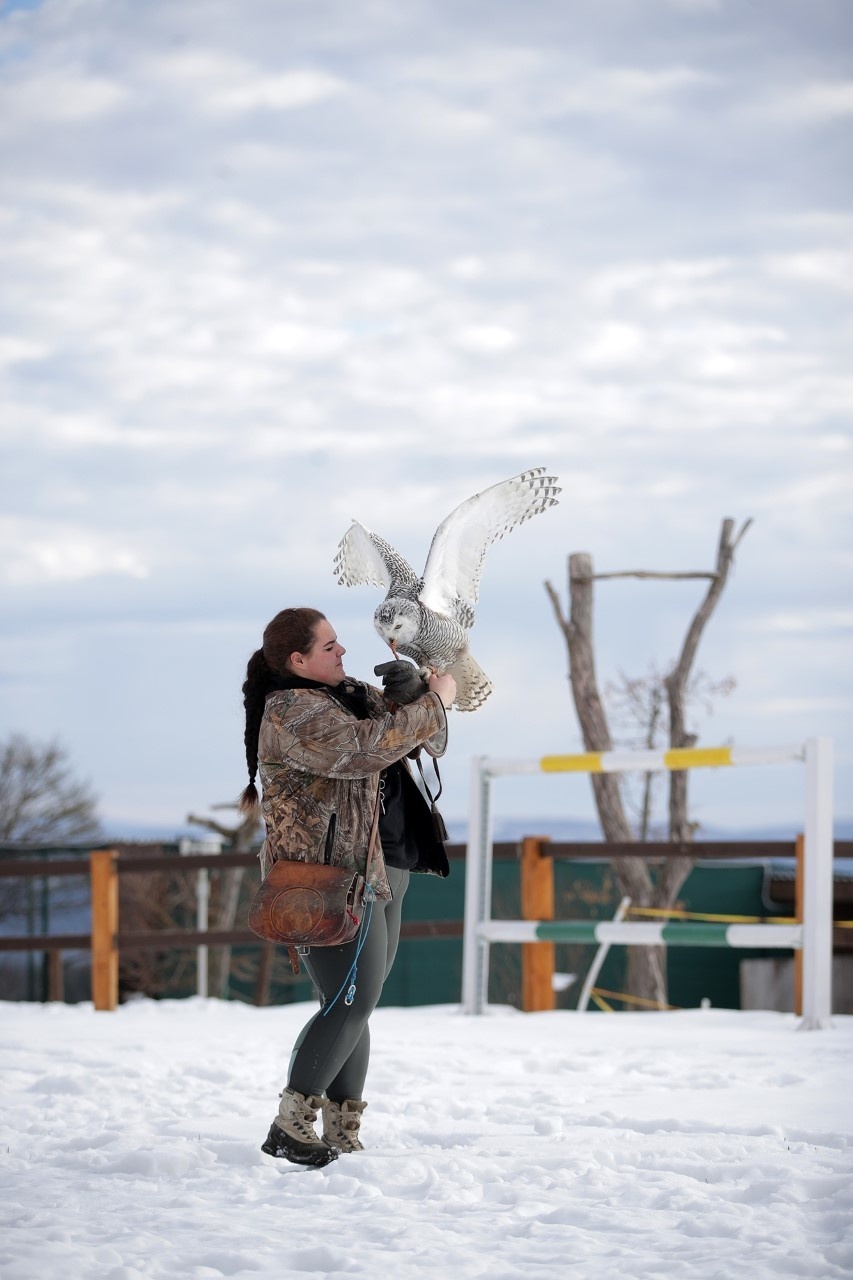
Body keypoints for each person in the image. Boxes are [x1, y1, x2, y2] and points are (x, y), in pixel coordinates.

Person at [239, 606, 456, 1168]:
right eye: (330, 646)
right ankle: (290, 1126)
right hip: (328, 880)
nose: (343, 652)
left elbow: (417, 739)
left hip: (381, 867)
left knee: (359, 1003)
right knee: (348, 1001)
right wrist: (433, 704)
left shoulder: (346, 694)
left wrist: (412, 695)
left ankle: (342, 1128)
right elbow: (366, 748)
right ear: (298, 660)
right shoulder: (291, 711)